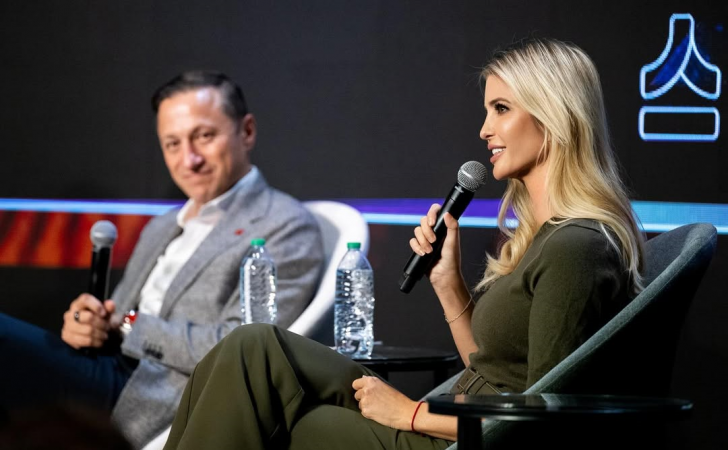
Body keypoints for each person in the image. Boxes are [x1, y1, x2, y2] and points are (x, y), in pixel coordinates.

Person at [161, 38, 645, 450]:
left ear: (554, 114)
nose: (484, 130)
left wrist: (410, 414)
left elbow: (542, 419)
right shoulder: (548, 237)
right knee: (251, 348)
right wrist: (447, 283)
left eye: (501, 109)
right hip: (457, 414)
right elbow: (491, 368)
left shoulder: (575, 248)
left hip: (461, 438)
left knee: (287, 407)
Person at [0, 71, 325, 448]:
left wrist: (130, 325)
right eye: (172, 144)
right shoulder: (163, 225)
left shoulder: (284, 224)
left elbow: (244, 349)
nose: (189, 159)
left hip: (151, 396)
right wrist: (88, 326)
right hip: (103, 367)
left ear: (247, 131)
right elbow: (116, 318)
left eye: (204, 136)